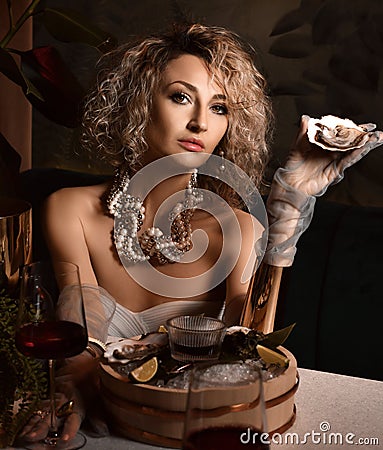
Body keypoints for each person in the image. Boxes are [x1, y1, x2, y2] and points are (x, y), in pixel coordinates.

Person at [20, 22, 383, 445]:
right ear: (139, 102)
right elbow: (79, 308)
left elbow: (253, 343)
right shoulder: (70, 210)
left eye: (219, 107)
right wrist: (72, 383)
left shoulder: (237, 227)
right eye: (180, 97)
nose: (199, 123)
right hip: (109, 427)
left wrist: (288, 213)